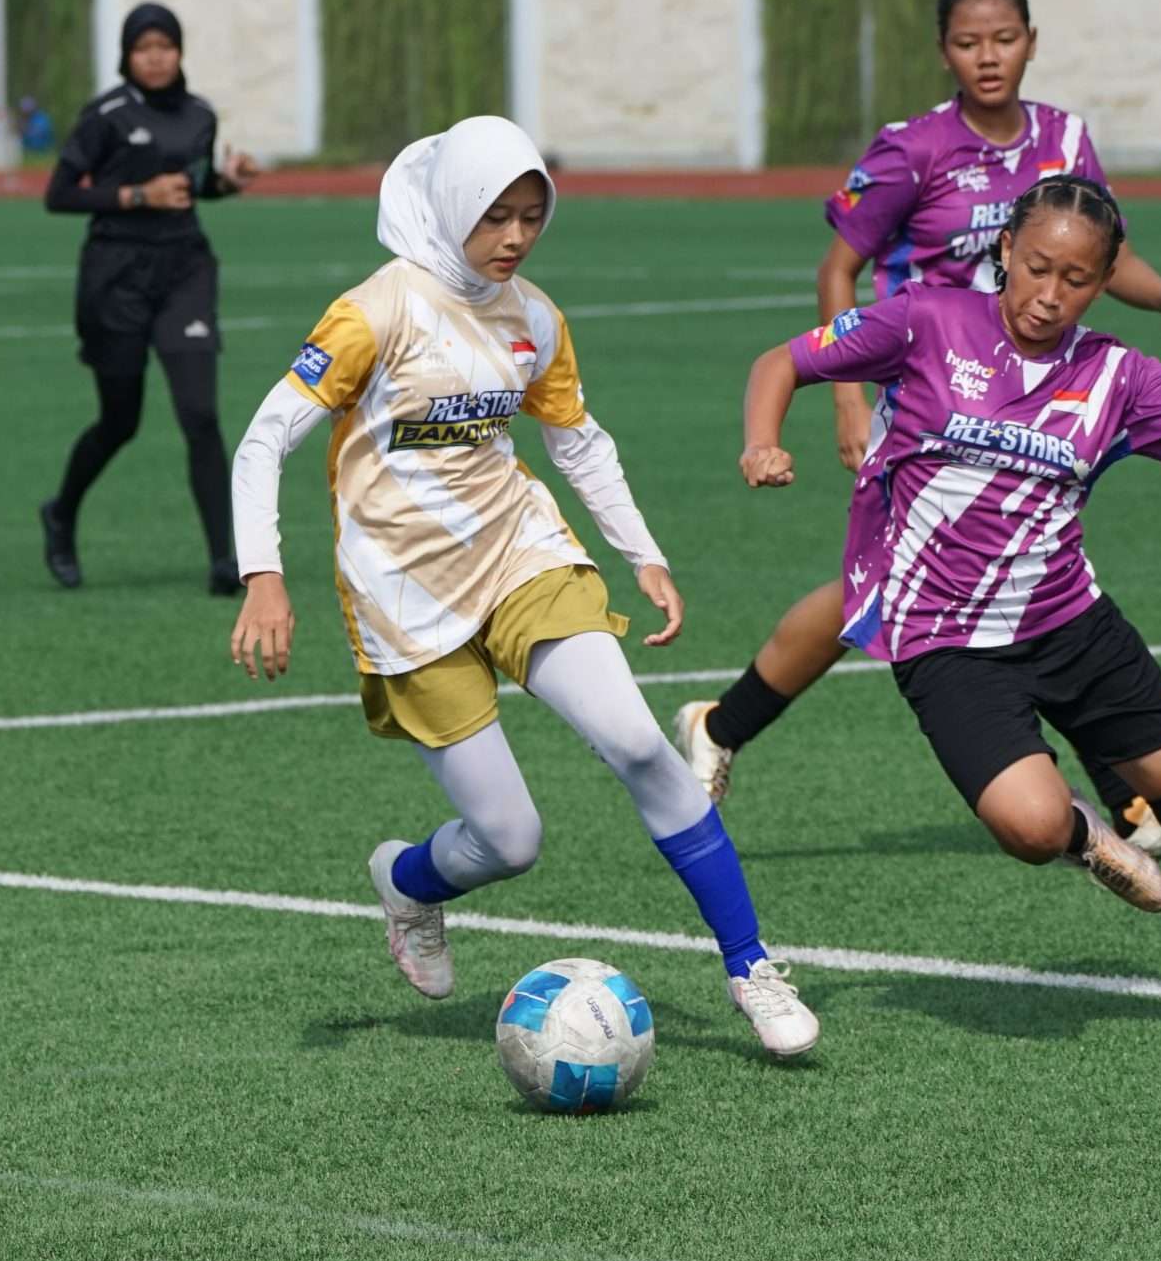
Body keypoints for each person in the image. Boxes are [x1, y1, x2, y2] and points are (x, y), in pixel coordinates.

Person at [227, 115, 821, 1059]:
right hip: (402, 592)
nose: (513, 237)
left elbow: (574, 437)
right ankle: (410, 885)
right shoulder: (375, 312)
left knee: (637, 742)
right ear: (452, 205)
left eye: (532, 215)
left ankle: (750, 966)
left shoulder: (534, 318)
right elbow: (265, 440)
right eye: (495, 215)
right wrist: (264, 573)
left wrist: (641, 552)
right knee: (509, 840)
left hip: (520, 556)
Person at [739, 176, 1161, 1030]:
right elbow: (780, 361)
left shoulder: (1118, 375)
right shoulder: (925, 319)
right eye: (1036, 267)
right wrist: (763, 441)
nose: (1049, 294)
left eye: (1076, 279)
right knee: (1033, 830)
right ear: (1005, 250)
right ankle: (1084, 834)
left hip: (1071, 626)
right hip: (945, 642)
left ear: (1105, 280)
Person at [673, 0, 1161, 861]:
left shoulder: (1066, 138)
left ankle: (724, 723)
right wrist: (848, 403)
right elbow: (836, 270)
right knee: (881, 597)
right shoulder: (912, 148)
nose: (987, 57)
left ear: (1032, 40)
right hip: (934, 409)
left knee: (1022, 581)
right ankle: (725, 723)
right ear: (943, 52)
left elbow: (1107, 250)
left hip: (1046, 398)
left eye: (1003, 38)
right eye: (968, 42)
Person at [39, 3, 261, 595]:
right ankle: (60, 512)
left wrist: (225, 183)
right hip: (115, 277)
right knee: (120, 421)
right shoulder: (106, 115)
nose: (156, 56)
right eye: (144, 47)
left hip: (184, 270)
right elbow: (58, 195)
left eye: (166, 45)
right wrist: (137, 194)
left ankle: (224, 560)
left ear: (181, 52)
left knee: (200, 413)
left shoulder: (199, 115)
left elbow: (193, 186)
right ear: (127, 56)